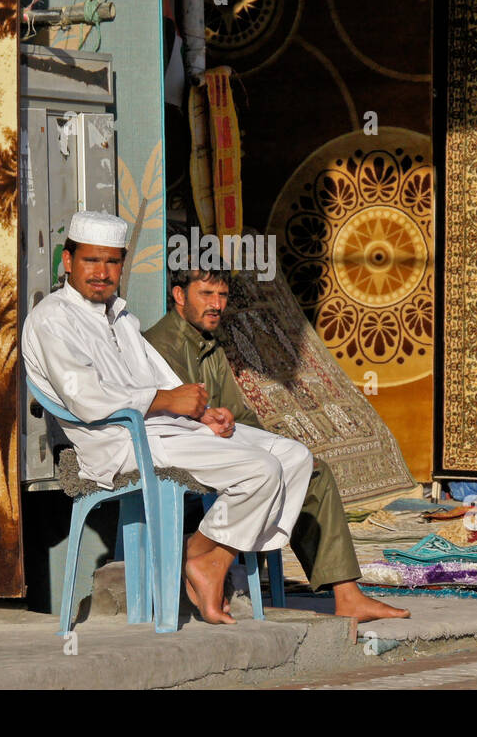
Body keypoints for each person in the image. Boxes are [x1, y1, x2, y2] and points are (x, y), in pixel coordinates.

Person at [20, 211, 313, 625]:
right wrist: (166, 401)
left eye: (112, 262)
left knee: (294, 457)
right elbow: (88, 401)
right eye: (91, 261)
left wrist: (204, 415)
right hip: (118, 441)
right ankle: (207, 562)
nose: (102, 273)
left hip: (165, 429)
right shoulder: (51, 320)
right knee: (262, 469)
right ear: (68, 261)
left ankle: (203, 555)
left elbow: (160, 379)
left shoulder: (121, 317)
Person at [143, 266, 409, 622]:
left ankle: (347, 594)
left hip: (218, 445)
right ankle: (206, 556)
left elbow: (238, 414)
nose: (217, 305)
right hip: (182, 450)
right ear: (179, 296)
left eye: (222, 296)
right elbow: (170, 416)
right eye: (206, 295)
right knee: (273, 469)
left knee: (310, 469)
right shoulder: (162, 345)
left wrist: (253, 434)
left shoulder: (209, 342)